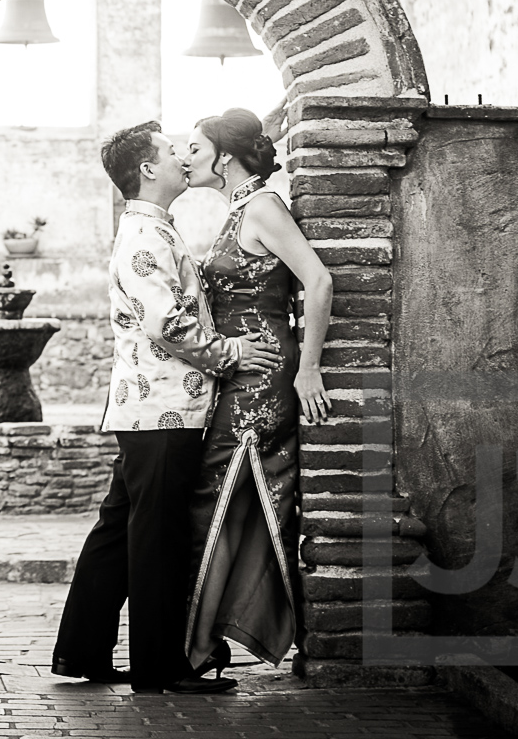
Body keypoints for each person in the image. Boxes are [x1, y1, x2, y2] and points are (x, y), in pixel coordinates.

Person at [51, 121, 283, 693]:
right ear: (148, 170)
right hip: (164, 412)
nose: (183, 157)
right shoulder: (144, 236)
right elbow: (169, 324)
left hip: (150, 410)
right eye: (171, 151)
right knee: (157, 540)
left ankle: (81, 651)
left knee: (116, 532)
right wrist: (231, 352)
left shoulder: (154, 228)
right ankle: (160, 668)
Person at [180, 108, 334, 675]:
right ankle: (205, 643)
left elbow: (317, 279)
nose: (183, 158)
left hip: (262, 380)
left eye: (193, 148)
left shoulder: (264, 207)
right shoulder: (237, 210)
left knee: (214, 500)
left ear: (224, 157)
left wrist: (308, 369)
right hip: (237, 373)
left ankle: (195, 647)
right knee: (233, 504)